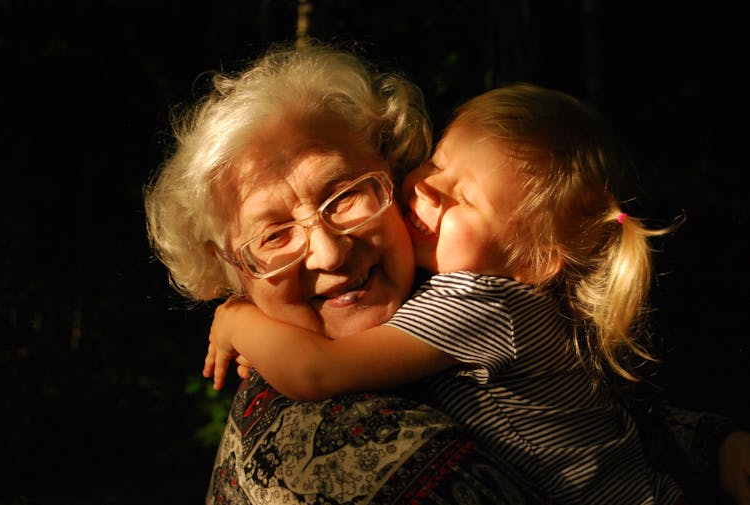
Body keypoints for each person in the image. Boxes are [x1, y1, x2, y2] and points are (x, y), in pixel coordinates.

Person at [145, 41, 750, 504]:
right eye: (273, 234)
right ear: (229, 269)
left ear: (388, 168)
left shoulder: (471, 298)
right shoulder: (326, 452)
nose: (329, 254)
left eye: (346, 194)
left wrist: (237, 319)